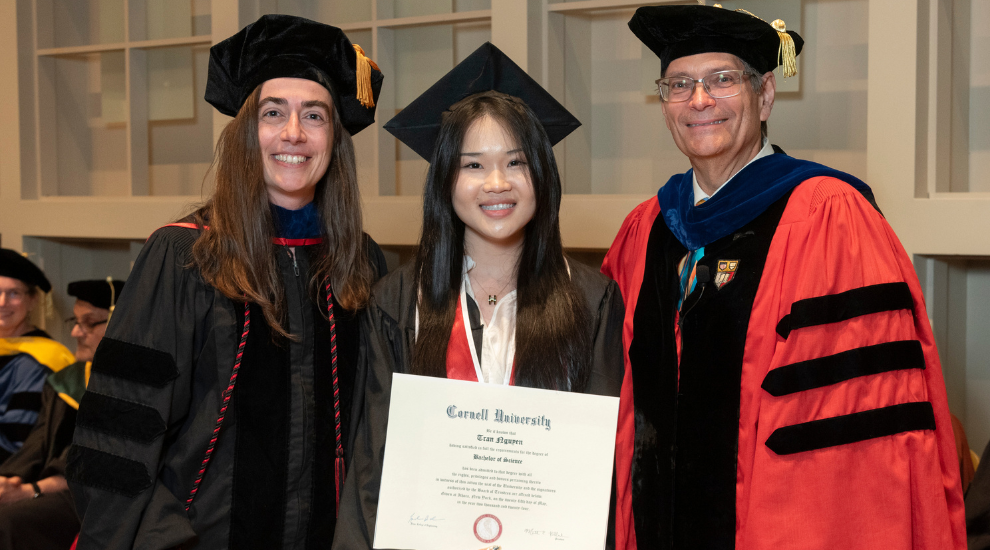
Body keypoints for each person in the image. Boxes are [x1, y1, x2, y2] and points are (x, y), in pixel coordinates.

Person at [601, 5, 966, 549]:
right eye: (680, 84)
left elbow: (850, 433)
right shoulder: (646, 228)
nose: (699, 101)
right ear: (664, 103)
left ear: (765, 93)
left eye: (722, 80)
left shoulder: (830, 216)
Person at [65, 15, 387, 550]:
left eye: (315, 115)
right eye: (272, 113)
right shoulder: (185, 254)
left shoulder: (360, 263)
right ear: (245, 132)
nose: (293, 133)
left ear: (336, 139)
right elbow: (119, 430)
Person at [333, 42, 633, 550]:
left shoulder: (592, 300)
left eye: (515, 162)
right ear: (445, 180)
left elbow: (602, 466)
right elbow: (375, 462)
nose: (497, 183)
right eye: (473, 165)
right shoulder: (399, 302)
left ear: (541, 174)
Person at [0, 278, 122, 550]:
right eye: (75, 321)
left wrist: (29, 491)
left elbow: (97, 466)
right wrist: (8, 479)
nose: (76, 333)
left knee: (5, 523)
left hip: (94, 498)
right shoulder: (68, 381)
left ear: (121, 325)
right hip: (48, 489)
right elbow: (35, 447)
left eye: (89, 323)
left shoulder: (132, 389)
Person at [0, 249, 75, 463]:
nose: (3, 302)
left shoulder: (40, 360)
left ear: (33, 300)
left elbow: (19, 443)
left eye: (14, 293)